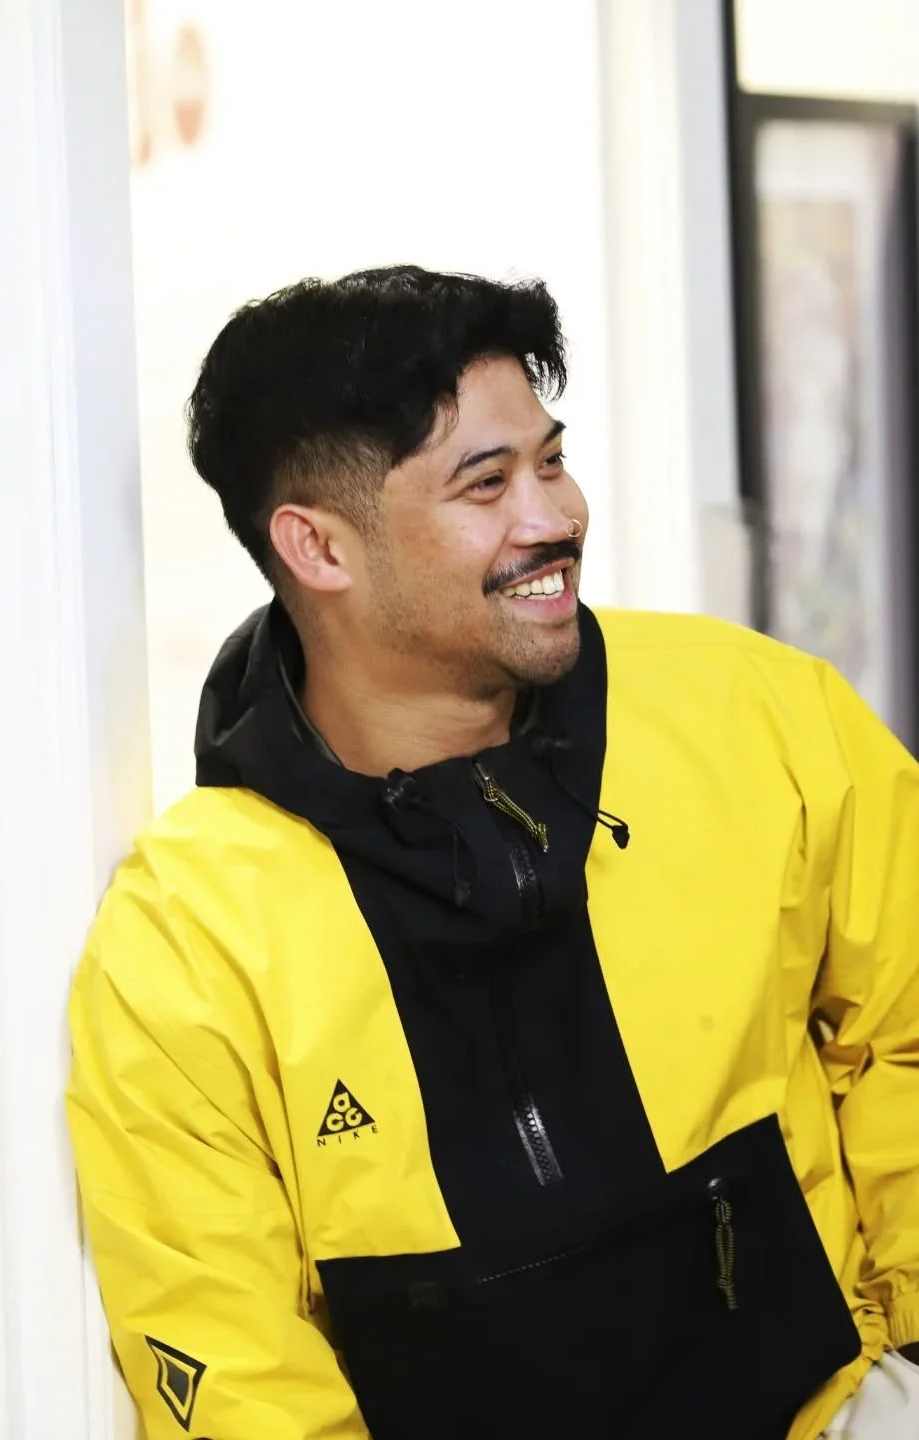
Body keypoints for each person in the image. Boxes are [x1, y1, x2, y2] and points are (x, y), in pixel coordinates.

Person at [66, 267, 919, 1440]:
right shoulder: (190, 933)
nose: (555, 516)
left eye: (551, 461)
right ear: (317, 547)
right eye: (488, 483)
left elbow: (906, 1028)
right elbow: (228, 1348)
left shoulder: (758, 712)